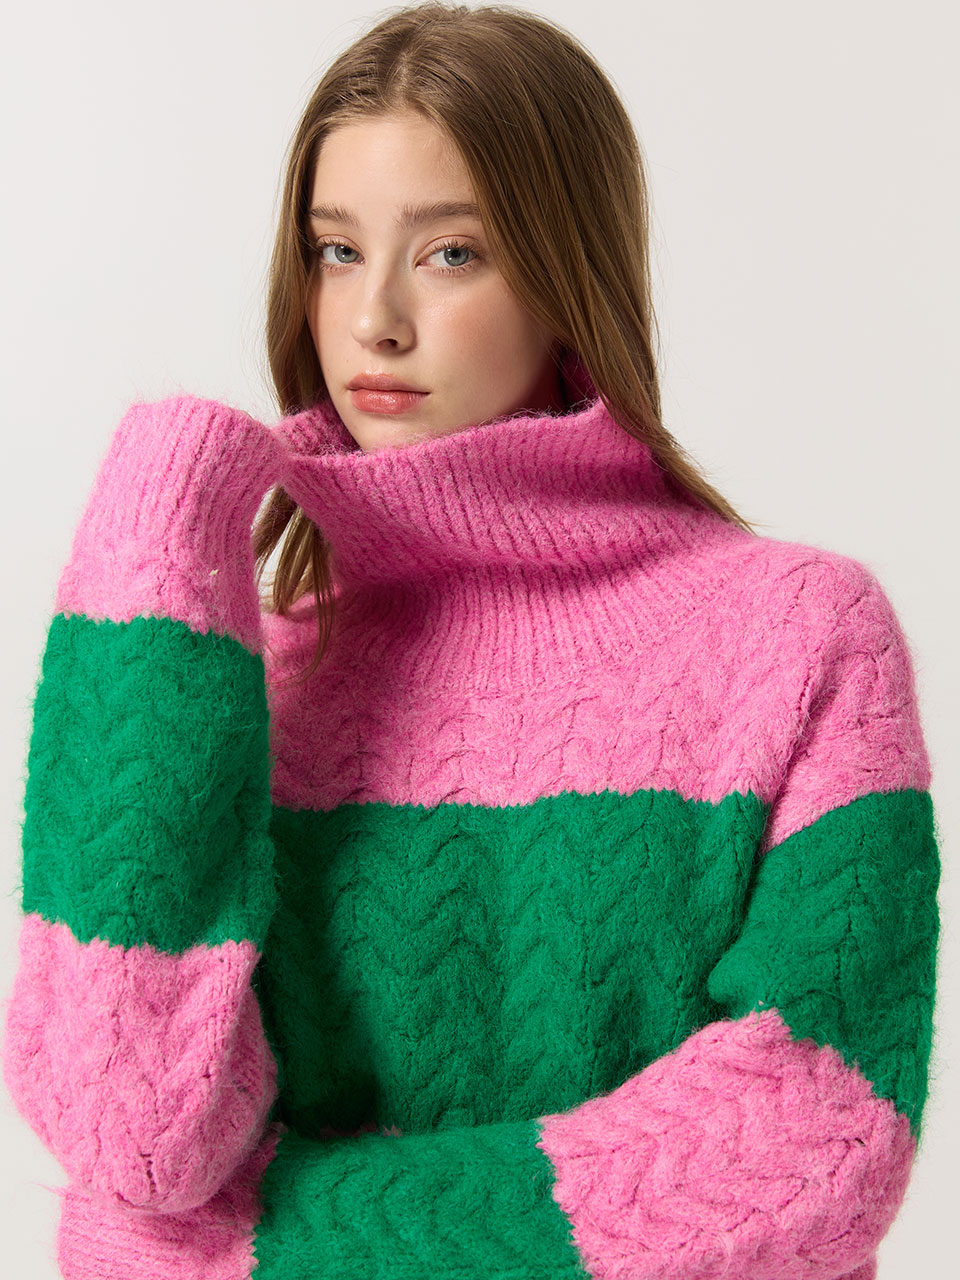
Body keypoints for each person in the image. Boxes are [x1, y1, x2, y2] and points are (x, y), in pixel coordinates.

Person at [2, 4, 941, 1278]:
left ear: (566, 274)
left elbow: (821, 1130)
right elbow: (136, 1138)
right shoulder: (243, 681)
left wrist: (260, 1242)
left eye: (451, 253)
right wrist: (157, 522)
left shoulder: (800, 636)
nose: (374, 318)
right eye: (336, 251)